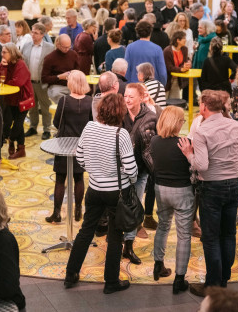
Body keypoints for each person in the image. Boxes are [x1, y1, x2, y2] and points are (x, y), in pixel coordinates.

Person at [178, 90, 238, 296]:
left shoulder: (202, 131)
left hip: (212, 187)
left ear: (204, 107)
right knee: (228, 234)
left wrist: (188, 154)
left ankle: (212, 285)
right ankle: (224, 280)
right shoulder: (235, 125)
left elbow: (201, 165)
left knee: (210, 238)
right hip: (234, 184)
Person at [64, 93, 137, 294]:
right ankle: (111, 281)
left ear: (101, 109)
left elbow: (80, 156)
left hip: (94, 188)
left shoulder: (89, 127)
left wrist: (95, 171)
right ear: (120, 112)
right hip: (116, 193)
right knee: (115, 235)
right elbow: (131, 169)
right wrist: (126, 179)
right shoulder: (120, 134)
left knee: (86, 230)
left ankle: (71, 274)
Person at [150, 106, 194, 294]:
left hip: (161, 189)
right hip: (182, 190)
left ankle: (158, 265)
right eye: (182, 120)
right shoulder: (185, 142)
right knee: (184, 234)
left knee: (163, 226)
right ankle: (179, 279)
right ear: (177, 123)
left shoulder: (154, 141)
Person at [45, 70, 92, 223]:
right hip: (82, 145)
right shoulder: (90, 101)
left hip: (63, 145)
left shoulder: (64, 101)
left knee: (60, 179)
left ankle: (57, 214)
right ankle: (78, 210)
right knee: (79, 178)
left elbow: (56, 123)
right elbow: (92, 124)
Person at [123, 83, 158, 264]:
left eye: (131, 97)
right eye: (125, 96)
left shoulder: (150, 117)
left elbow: (152, 149)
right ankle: (116, 239)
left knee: (133, 208)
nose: (127, 100)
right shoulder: (120, 114)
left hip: (139, 172)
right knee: (118, 207)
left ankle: (128, 246)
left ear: (141, 98)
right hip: (119, 172)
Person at [0, 43, 34, 159]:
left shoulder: (20, 64)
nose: (2, 54)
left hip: (23, 99)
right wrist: (3, 67)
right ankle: (21, 149)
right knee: (19, 125)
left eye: (4, 52)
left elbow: (18, 82)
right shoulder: (5, 63)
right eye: (2, 52)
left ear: (12, 53)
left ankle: (11, 140)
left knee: (18, 124)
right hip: (11, 98)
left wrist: (7, 81)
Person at [22, 23, 54, 140]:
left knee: (46, 107)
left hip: (42, 82)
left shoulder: (49, 47)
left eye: (35, 33)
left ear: (42, 34)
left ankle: (46, 129)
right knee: (32, 107)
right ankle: (33, 127)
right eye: (32, 32)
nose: (33, 34)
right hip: (29, 82)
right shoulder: (26, 46)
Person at [125, 20, 167, 86]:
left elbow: (126, 70)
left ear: (137, 32)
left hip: (134, 86)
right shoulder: (157, 49)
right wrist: (162, 85)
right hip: (152, 86)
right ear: (150, 32)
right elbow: (162, 73)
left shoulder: (130, 47)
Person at [41, 34, 79, 104]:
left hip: (71, 85)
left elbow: (78, 71)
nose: (67, 49)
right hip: (56, 86)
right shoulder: (49, 58)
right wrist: (59, 77)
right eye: (65, 47)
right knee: (63, 101)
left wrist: (73, 75)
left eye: (69, 47)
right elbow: (44, 78)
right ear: (58, 45)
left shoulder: (73, 54)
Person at [163, 30, 191, 99]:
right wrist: (181, 69)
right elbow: (169, 67)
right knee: (164, 101)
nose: (185, 40)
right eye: (184, 38)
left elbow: (184, 62)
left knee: (175, 101)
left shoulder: (184, 49)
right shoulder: (167, 51)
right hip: (167, 79)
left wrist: (187, 65)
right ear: (178, 40)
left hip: (177, 79)